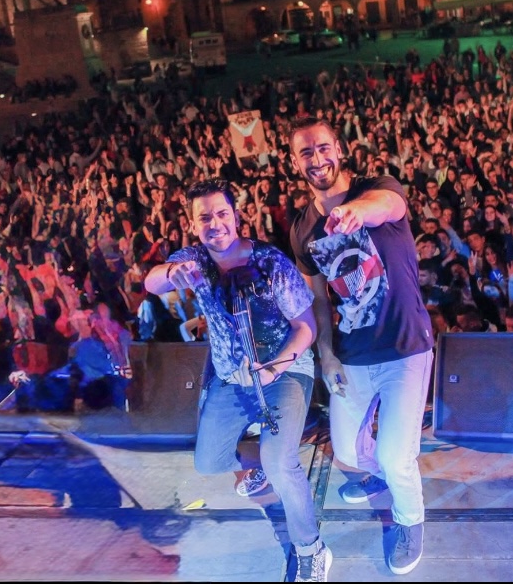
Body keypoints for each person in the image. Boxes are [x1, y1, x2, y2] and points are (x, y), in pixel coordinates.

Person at [144, 178, 331, 583]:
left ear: (236, 215)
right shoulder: (194, 259)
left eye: (222, 213)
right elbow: (151, 282)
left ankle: (312, 548)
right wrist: (173, 272)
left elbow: (305, 327)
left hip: (284, 370)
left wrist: (277, 366)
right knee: (208, 461)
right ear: (194, 224)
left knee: (282, 464)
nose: (215, 223)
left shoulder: (270, 261)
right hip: (232, 377)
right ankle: (261, 461)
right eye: (204, 217)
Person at [287, 116, 433, 576]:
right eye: (306, 152)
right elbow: (318, 300)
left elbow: (386, 206)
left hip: (405, 343)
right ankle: (378, 477)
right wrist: (325, 353)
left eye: (323, 148)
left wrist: (356, 215)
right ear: (295, 163)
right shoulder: (302, 229)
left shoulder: (377, 187)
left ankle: (410, 522)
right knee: (348, 451)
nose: (317, 159)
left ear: (340, 149)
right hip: (352, 353)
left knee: (395, 454)